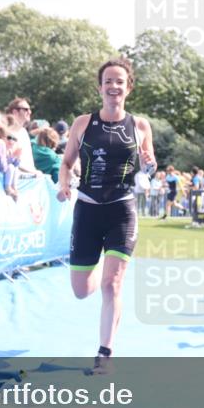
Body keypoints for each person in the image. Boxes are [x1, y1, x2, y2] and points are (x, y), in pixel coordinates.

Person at [57, 57, 155, 375]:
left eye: (120, 81)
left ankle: (104, 354)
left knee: (113, 285)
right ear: (100, 88)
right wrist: (63, 186)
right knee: (82, 290)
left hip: (122, 209)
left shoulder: (140, 126)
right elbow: (66, 163)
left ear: (129, 88)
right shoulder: (83, 124)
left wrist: (150, 165)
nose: (114, 86)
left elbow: (149, 165)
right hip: (87, 208)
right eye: (108, 81)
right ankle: (98, 268)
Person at [6, 97, 37, 171]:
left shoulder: (23, 132)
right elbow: (10, 161)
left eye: (30, 109)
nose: (29, 112)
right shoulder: (8, 133)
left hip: (30, 177)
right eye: (26, 109)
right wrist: (32, 172)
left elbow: (28, 160)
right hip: (16, 178)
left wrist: (34, 171)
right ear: (15, 112)